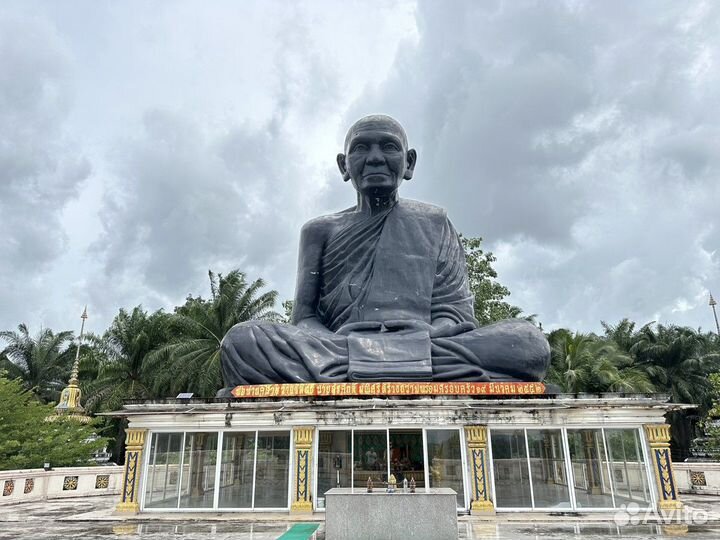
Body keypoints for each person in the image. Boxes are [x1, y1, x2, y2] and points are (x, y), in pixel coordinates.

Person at [218, 115, 549, 392]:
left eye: (388, 147)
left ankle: (363, 368)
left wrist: (425, 336)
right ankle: (400, 366)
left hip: (422, 343)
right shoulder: (319, 230)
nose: (375, 157)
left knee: (526, 343)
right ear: (343, 165)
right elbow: (305, 318)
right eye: (361, 148)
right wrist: (343, 341)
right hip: (343, 345)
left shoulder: (434, 221)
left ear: (409, 162)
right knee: (242, 341)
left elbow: (456, 314)